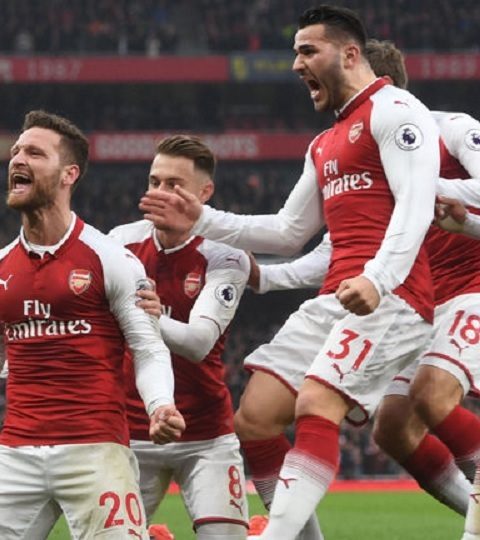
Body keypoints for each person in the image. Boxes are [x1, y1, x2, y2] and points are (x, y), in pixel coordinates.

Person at [139, 6, 441, 539]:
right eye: (295, 53)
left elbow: (416, 204)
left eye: (307, 51)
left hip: (391, 296)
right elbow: (286, 231)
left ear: (350, 53)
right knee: (255, 418)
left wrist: (378, 277)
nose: (297, 64)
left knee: (317, 402)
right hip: (336, 298)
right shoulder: (324, 143)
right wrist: (202, 218)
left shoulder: (396, 110)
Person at [0, 110, 185, 539]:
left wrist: (160, 405)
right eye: (16, 151)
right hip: (16, 452)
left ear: (69, 174)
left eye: (34, 153)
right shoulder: (2, 265)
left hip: (94, 450)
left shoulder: (111, 258)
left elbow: (148, 347)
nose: (17, 159)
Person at [109, 135, 250, 540]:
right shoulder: (120, 243)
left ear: (204, 193)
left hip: (206, 433)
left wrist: (150, 316)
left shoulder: (226, 254)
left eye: (174, 185)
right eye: (154, 182)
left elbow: (198, 343)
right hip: (131, 431)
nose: (160, 192)